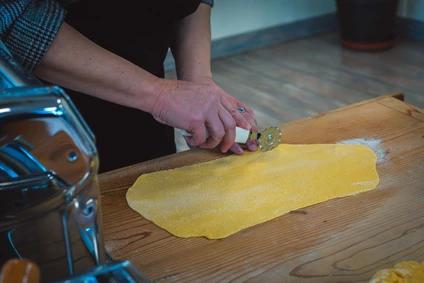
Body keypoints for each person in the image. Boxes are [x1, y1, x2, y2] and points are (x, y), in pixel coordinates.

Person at [1, 0, 259, 173]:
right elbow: (13, 17)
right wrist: (161, 95)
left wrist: (198, 82)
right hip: (47, 120)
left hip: (147, 115)